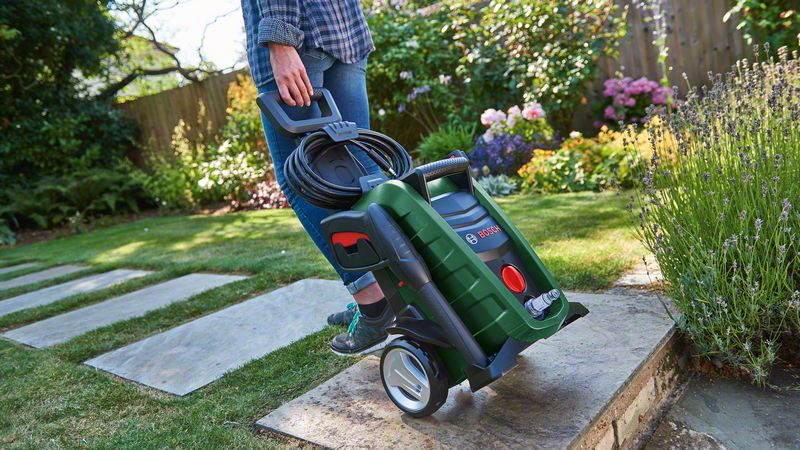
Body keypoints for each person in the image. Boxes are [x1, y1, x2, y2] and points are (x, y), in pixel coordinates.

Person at [240, 0, 393, 354]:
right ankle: (404, 285)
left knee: (302, 178)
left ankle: (373, 299)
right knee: (360, 171)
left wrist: (281, 41)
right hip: (343, 30)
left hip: (299, 38)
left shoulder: (287, 39)